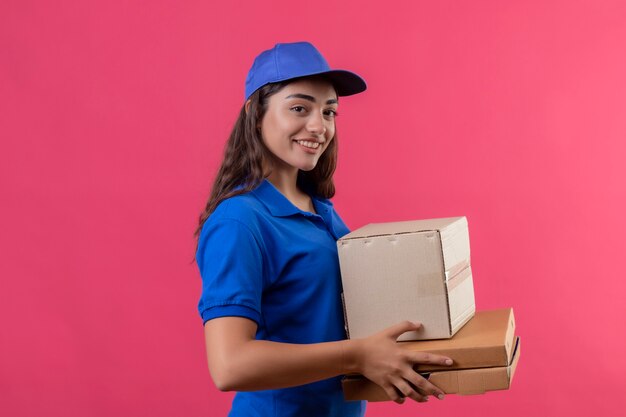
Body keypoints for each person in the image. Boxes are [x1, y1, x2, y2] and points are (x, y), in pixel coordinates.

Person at [194, 41, 453, 417]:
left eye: (329, 111)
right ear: (254, 112)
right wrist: (358, 355)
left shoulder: (318, 210)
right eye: (299, 108)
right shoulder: (240, 221)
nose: (318, 126)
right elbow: (229, 364)